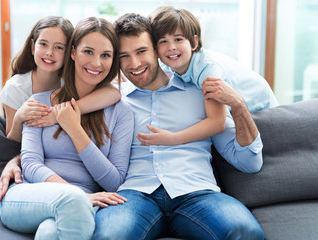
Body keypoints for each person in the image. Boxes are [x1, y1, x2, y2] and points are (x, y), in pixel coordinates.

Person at [91, 13, 265, 240]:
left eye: (141, 51)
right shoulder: (113, 102)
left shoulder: (201, 92)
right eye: (124, 56)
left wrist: (239, 105)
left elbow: (249, 162)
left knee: (246, 232)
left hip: (196, 194)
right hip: (135, 195)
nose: (134, 64)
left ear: (156, 49)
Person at [0, 17, 134, 240]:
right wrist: (77, 195)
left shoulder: (120, 111)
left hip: (83, 204)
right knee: (72, 204)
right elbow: (31, 165)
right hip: (30, 194)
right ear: (73, 52)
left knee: (49, 233)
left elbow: (114, 181)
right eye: (88, 52)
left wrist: (74, 129)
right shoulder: (39, 102)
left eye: (106, 55)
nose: (96, 63)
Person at [149, 6, 278, 113]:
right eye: (163, 41)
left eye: (178, 39)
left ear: (194, 43)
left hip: (260, 108)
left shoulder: (207, 69)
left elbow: (217, 120)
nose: (171, 47)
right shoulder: (168, 66)